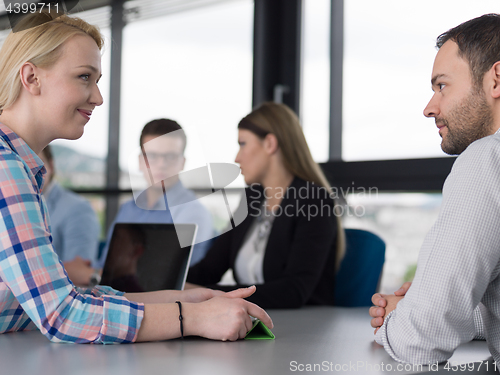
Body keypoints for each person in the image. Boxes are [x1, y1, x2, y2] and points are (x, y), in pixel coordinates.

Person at [0, 10, 272, 344]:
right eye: (84, 77)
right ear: (31, 78)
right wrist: (192, 318)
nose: (98, 97)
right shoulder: (6, 168)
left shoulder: (17, 166)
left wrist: (182, 299)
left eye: (97, 80)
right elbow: (63, 316)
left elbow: (47, 302)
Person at [368, 14, 500, 364]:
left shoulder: (487, 159)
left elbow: (418, 342)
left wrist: (402, 318)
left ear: (496, 79)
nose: (430, 108)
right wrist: (430, 304)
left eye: (442, 86)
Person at [187, 102, 345, 309]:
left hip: (303, 327)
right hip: (253, 321)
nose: (237, 157)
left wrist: (210, 295)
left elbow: (293, 291)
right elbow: (209, 269)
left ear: (270, 143)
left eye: (243, 144)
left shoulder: (313, 200)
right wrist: (170, 284)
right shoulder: (252, 198)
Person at [98, 119, 214, 269]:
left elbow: (170, 276)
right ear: (141, 161)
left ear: (182, 162)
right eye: (152, 156)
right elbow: (106, 265)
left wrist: (92, 275)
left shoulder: (193, 213)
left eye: (171, 156)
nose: (161, 164)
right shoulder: (128, 208)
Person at [40, 145, 100, 264]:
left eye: (34, 164)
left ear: (51, 166)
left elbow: (80, 275)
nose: (25, 171)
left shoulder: (78, 209)